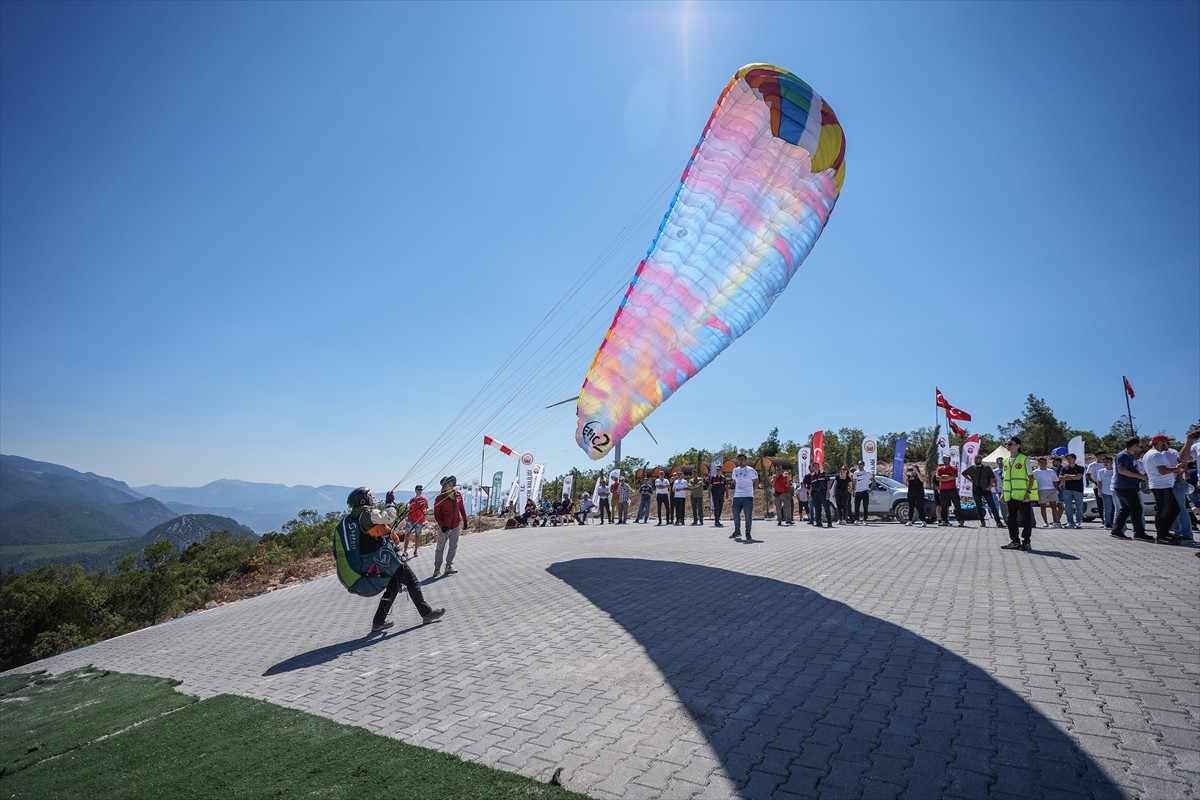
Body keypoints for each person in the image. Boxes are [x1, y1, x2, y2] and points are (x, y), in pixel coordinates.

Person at [345, 487, 445, 632]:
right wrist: (390, 504)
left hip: (377, 558)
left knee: (392, 587)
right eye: (370, 495)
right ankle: (426, 613)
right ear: (363, 500)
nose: (372, 497)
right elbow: (389, 517)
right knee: (412, 581)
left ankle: (378, 622)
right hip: (386, 557)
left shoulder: (355, 517)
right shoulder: (367, 513)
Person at [1144, 434, 1185, 544]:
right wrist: (1176, 470)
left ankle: (1165, 532)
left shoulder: (1149, 454)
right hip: (1162, 486)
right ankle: (1161, 535)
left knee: (1173, 510)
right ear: (1161, 442)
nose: (1169, 445)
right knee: (1164, 511)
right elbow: (1162, 471)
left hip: (1162, 486)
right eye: (1167, 442)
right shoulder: (1157, 455)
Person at [1111, 437, 1152, 542]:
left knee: (1126, 509)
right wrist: (1141, 477)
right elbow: (1122, 470)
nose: (1140, 448)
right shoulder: (1123, 456)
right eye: (1139, 446)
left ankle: (1117, 530)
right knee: (1136, 509)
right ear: (1134, 446)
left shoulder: (1130, 457)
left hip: (1127, 486)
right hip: (1125, 486)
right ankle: (1139, 532)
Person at [1000, 437, 1037, 550]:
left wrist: (1028, 492)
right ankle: (1015, 541)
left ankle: (1026, 542)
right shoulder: (1005, 460)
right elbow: (1005, 479)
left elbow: (1031, 477)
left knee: (1026, 519)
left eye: (1010, 443)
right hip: (1010, 496)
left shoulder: (1024, 459)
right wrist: (1002, 493)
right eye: (1007, 444)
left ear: (1018, 446)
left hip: (1022, 495)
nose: (1008, 445)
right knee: (1011, 519)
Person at [432, 475, 469, 577]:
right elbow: (436, 513)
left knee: (453, 547)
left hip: (455, 525)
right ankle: (437, 568)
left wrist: (465, 521)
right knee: (440, 548)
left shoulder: (458, 495)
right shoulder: (440, 498)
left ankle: (448, 566)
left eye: (449, 483)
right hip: (444, 527)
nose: (448, 485)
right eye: (446, 484)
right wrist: (441, 525)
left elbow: (462, 508)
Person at [963, 456, 1000, 527]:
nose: (976, 460)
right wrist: (970, 480)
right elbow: (963, 473)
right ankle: (982, 521)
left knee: (992, 505)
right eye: (975, 459)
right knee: (978, 506)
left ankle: (998, 521)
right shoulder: (971, 468)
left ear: (981, 459)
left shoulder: (987, 468)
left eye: (977, 459)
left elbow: (992, 477)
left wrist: (989, 486)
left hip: (986, 489)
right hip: (976, 490)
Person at [730, 454, 759, 540]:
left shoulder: (750, 470)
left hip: (748, 496)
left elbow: (756, 482)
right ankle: (737, 531)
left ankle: (748, 533)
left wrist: (752, 491)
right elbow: (734, 481)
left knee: (748, 515)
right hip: (737, 496)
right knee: (735, 515)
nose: (740, 461)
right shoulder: (735, 470)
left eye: (742, 459)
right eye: (739, 460)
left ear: (746, 460)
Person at [1057, 453, 1087, 529]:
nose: (1069, 460)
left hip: (1078, 489)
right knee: (1067, 507)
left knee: (1079, 507)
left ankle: (1078, 522)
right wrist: (1071, 477)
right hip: (1067, 489)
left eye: (1070, 458)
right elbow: (1060, 477)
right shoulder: (1064, 469)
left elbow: (1078, 477)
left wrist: (1067, 476)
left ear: (1074, 459)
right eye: (1068, 459)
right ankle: (1070, 522)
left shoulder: (1080, 468)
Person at [1032, 457, 1061, 528]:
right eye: (1040, 462)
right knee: (1043, 507)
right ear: (1038, 463)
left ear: (1046, 463)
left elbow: (1055, 481)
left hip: (1051, 489)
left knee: (1054, 506)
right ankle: (1045, 522)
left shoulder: (1051, 471)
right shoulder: (1035, 472)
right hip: (1041, 490)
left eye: (1044, 462)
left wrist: (1056, 489)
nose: (1042, 464)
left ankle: (1055, 522)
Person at [936, 455, 963, 527]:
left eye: (946, 459)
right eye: (944, 459)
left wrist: (945, 477)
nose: (945, 460)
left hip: (952, 489)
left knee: (957, 505)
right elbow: (938, 478)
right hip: (943, 490)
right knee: (944, 506)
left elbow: (954, 477)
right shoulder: (940, 468)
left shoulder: (954, 468)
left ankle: (960, 520)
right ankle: (945, 520)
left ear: (949, 460)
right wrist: (947, 478)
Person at [400, 484, 427, 557]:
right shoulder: (412, 499)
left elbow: (426, 508)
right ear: (415, 490)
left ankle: (415, 551)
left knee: (417, 535)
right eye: (418, 489)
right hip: (411, 519)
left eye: (421, 490)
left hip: (419, 519)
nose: (420, 491)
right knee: (407, 534)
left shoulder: (424, 499)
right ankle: (405, 551)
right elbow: (408, 508)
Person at [805, 464, 831, 529]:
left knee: (826, 508)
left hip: (823, 492)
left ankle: (829, 522)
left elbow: (828, 482)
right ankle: (819, 522)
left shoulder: (823, 473)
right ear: (813, 468)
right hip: (815, 493)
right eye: (814, 467)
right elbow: (811, 485)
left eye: (817, 466)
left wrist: (828, 492)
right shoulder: (812, 476)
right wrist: (810, 493)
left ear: (819, 467)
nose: (815, 467)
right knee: (817, 509)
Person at [1086, 451, 1108, 527]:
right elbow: (1088, 475)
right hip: (1097, 487)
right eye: (1103, 455)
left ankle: (1110, 520)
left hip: (1108, 487)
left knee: (1109, 504)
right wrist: (1095, 482)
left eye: (1105, 455)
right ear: (1098, 456)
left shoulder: (1108, 464)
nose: (1104, 457)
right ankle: (1103, 519)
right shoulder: (1093, 465)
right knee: (1100, 504)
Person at [850, 461, 874, 525]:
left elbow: (873, 480)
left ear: (863, 465)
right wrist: (853, 491)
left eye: (861, 464)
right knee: (856, 506)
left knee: (865, 506)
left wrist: (871, 489)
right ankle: (857, 520)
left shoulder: (867, 473)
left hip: (865, 492)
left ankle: (865, 520)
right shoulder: (855, 473)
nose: (859, 466)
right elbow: (854, 482)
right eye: (858, 464)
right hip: (858, 492)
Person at [1097, 455, 1116, 528]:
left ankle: (1115, 522)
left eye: (1107, 462)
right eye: (1104, 462)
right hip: (1106, 492)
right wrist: (1099, 491)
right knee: (1108, 508)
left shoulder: (1115, 470)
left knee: (1116, 508)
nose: (1105, 463)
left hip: (1115, 491)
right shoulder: (1101, 471)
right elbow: (1099, 482)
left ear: (1111, 462)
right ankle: (1107, 522)